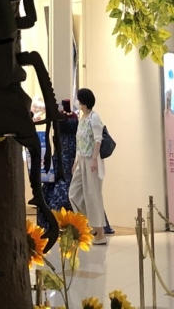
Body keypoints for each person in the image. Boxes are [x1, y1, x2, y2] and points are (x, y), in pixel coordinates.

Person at [68, 88, 107, 246]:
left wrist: (94, 160)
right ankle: (91, 224)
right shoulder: (82, 118)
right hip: (82, 160)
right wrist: (76, 162)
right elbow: (79, 143)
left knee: (93, 196)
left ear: (83, 101)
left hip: (92, 161)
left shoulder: (94, 117)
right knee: (74, 193)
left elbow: (98, 139)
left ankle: (100, 233)